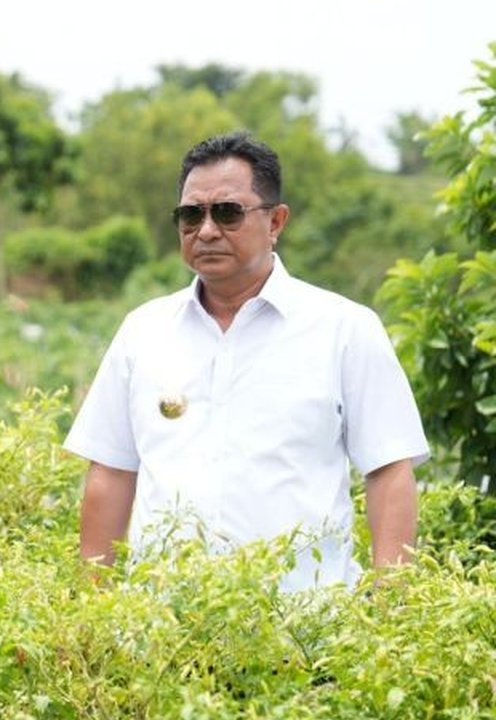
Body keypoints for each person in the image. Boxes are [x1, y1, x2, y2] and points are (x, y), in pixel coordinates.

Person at [65, 131, 428, 592]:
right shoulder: (144, 331)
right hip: (161, 640)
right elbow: (112, 473)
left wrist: (390, 603)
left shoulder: (344, 329)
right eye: (191, 215)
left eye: (228, 213)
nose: (207, 230)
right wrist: (90, 615)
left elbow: (389, 470)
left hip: (305, 635)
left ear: (276, 221)